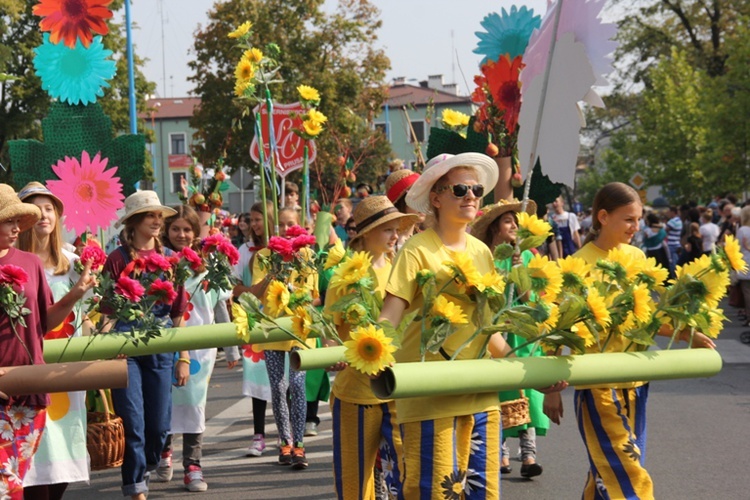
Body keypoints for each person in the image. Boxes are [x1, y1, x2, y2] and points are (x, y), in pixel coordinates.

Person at [543, 182, 715, 500]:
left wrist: (687, 334)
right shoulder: (577, 266)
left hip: (636, 383)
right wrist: (552, 388)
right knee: (625, 473)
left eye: (638, 220)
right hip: (597, 385)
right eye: (629, 220)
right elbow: (558, 327)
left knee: (607, 473)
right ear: (603, 217)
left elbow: (646, 316)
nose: (636, 228)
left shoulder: (637, 256)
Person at [378, 153, 509, 498]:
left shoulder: (483, 252)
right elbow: (390, 315)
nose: (471, 196)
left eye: (477, 189)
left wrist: (524, 368)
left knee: (484, 494)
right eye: (460, 189)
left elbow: (487, 327)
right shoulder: (416, 251)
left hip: (481, 394)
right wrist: (376, 353)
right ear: (435, 198)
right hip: (429, 396)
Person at [0, 184, 94, 500]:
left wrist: (76, 294)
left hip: (31, 387)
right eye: (8, 221)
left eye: (18, 221)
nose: (16, 228)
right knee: (9, 486)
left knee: (24, 478)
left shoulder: (30, 263)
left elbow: (44, 322)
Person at [325, 196, 418, 499]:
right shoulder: (346, 274)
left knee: (409, 472)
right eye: (386, 230)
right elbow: (328, 329)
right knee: (355, 481)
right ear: (365, 234)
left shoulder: (400, 270)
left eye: (396, 230)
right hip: (356, 393)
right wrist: (330, 353)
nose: (394, 236)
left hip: (395, 388)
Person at [99, 190, 190, 500]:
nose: (156, 220)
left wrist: (184, 359)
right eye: (150, 215)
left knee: (159, 427)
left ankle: (149, 464)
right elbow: (107, 311)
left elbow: (178, 313)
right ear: (135, 221)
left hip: (162, 346)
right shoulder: (116, 258)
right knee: (133, 424)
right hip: (125, 349)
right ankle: (135, 486)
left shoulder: (170, 260)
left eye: (158, 216)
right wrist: (106, 350)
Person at [155, 205, 234, 492]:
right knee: (164, 401)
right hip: (166, 343)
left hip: (201, 350)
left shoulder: (208, 268)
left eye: (187, 229)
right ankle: (164, 454)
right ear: (166, 231)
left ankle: (192, 466)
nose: (181, 234)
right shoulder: (158, 264)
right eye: (175, 228)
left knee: (193, 405)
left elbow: (220, 307)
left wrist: (232, 350)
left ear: (196, 232)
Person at [471, 198, 550, 479]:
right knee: (498, 390)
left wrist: (519, 270)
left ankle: (529, 455)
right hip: (495, 332)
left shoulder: (526, 255)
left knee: (526, 390)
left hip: (522, 333)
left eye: (516, 222)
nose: (514, 226)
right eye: (508, 221)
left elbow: (530, 298)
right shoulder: (484, 257)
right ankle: (500, 452)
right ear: (494, 227)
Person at [251, 206, 319, 469]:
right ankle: (285, 442)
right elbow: (256, 293)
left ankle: (300, 445)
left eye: (291, 224)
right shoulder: (265, 256)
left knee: (298, 386)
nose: (286, 230)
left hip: (300, 330)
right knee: (278, 388)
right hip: (272, 331)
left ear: (299, 227)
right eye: (280, 225)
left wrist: (298, 296)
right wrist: (273, 273)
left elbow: (315, 295)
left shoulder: (308, 255)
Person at [231, 202, 274, 457]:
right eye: (253, 219)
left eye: (260, 219)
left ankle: (289, 435)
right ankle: (259, 435)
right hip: (254, 320)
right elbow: (235, 289)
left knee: (285, 381)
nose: (256, 224)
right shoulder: (244, 250)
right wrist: (253, 292)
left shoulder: (280, 250)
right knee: (257, 379)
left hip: (280, 319)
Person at [385, 168, 423, 250]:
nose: (423, 202)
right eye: (416, 196)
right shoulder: (388, 244)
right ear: (401, 202)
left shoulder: (426, 237)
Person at [736, 206, 750, 327]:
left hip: (746, 263)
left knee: (747, 292)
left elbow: (737, 248)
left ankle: (749, 316)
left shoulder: (743, 230)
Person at [665, 206, 682, 276]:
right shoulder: (679, 220)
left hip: (671, 244)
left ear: (672, 212)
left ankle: (674, 277)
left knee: (672, 262)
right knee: (677, 261)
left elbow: (665, 230)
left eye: (669, 212)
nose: (668, 213)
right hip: (677, 243)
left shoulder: (672, 221)